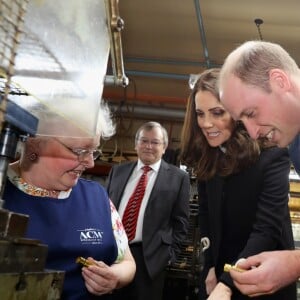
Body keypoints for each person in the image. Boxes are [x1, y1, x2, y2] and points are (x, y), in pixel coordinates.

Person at [180, 68, 297, 299]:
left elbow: (266, 229)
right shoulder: (208, 157)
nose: (206, 123)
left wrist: (227, 282)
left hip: (262, 279)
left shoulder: (272, 156)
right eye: (200, 114)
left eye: (217, 113)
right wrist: (211, 264)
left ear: (237, 113)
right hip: (222, 274)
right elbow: (205, 216)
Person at [3, 100, 136, 299]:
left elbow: (128, 263)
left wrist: (114, 277)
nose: (90, 162)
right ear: (35, 143)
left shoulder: (97, 197)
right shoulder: (4, 191)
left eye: (94, 151)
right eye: (80, 151)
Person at [218, 40, 300, 297]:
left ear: (279, 80)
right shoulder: (294, 144)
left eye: (251, 113)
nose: (252, 133)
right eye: (242, 121)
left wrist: (294, 263)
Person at [106, 121, 190, 300]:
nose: (149, 146)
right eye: (144, 141)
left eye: (155, 142)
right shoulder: (117, 172)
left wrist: (169, 256)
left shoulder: (179, 178)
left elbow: (181, 222)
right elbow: (104, 210)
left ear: (164, 147)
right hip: (113, 253)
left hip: (150, 259)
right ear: (136, 144)